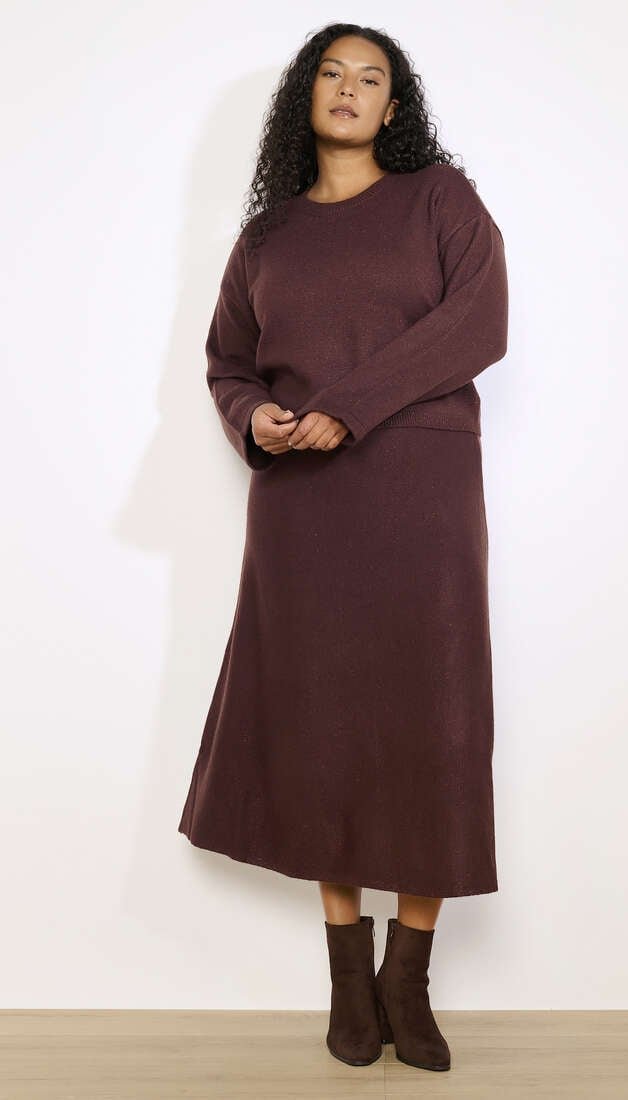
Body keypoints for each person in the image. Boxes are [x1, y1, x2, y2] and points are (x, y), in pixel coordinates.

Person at [178, 22, 509, 1074]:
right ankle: (349, 981)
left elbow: (480, 323)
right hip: (302, 511)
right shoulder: (267, 237)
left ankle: (410, 979)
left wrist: (347, 406)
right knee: (323, 725)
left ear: (394, 106)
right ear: (306, 95)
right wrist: (258, 420)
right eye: (333, 72)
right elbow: (227, 362)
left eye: (372, 78)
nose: (350, 89)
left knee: (431, 718)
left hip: (421, 496)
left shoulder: (440, 200)